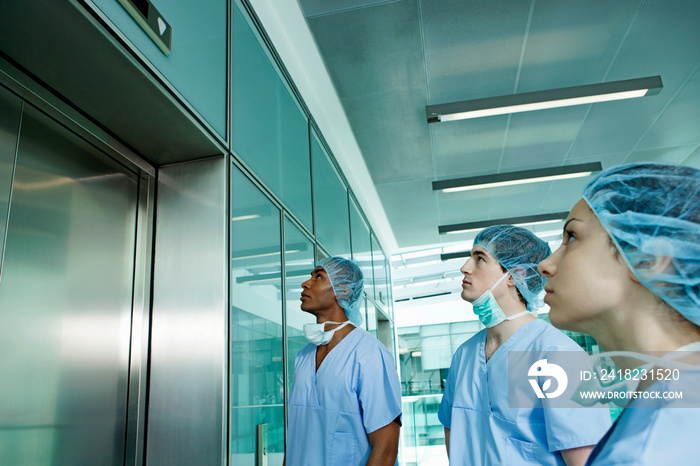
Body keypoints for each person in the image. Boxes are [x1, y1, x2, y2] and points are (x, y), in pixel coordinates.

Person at [537, 162, 700, 465]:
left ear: (648, 260)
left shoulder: (650, 447)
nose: (545, 265)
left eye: (571, 237)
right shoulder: (668, 401)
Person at [438, 225, 611, 465]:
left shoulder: (558, 356)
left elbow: (584, 460)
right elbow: (453, 429)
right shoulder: (464, 355)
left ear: (514, 275)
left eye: (479, 259)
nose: (465, 267)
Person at [284, 256, 402, 466]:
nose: (306, 283)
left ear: (344, 290)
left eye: (318, 276)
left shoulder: (370, 354)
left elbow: (385, 450)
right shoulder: (302, 357)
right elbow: (295, 438)